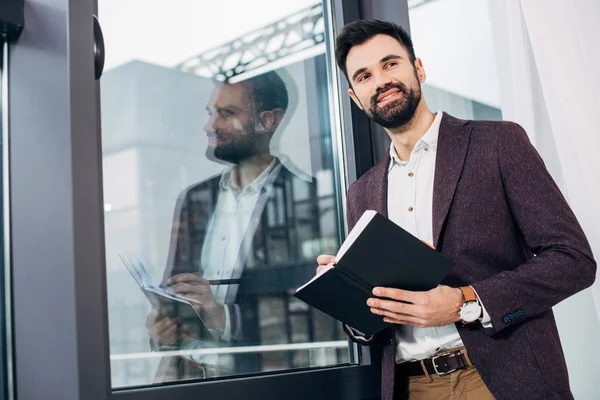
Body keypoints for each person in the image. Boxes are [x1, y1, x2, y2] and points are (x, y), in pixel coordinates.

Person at [316, 19, 596, 400]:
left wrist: (465, 302)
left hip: (502, 379)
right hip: (410, 386)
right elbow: (371, 325)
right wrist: (346, 290)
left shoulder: (498, 143)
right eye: (364, 76)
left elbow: (574, 260)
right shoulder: (360, 193)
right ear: (355, 97)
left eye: (391, 64)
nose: (380, 81)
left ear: (418, 68)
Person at [146, 71, 321, 381]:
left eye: (226, 113)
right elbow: (173, 293)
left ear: (268, 121)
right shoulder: (193, 200)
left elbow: (313, 316)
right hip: (187, 380)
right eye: (211, 113)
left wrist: (223, 317)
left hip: (262, 384)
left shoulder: (305, 200)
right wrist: (164, 329)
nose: (210, 125)